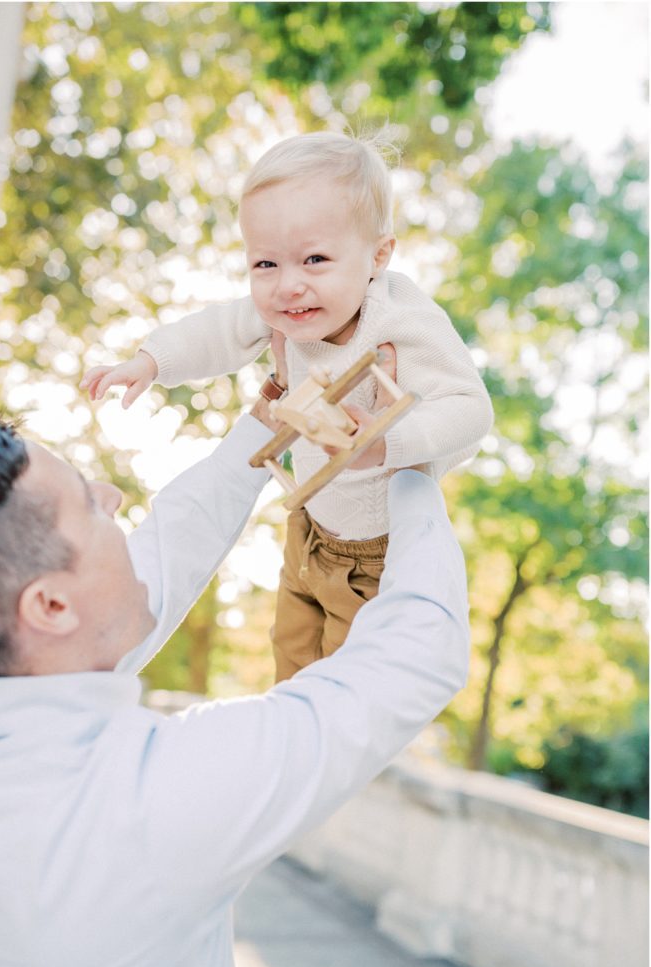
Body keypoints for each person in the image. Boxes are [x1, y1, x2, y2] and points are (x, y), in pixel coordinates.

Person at [0, 394, 470, 967]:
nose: (112, 496)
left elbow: (155, 560)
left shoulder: (16, 669)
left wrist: (264, 426)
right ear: (49, 608)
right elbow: (417, 650)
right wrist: (408, 466)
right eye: (87, 505)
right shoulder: (151, 801)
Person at [81, 129, 493, 682]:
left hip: (374, 554)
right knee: (291, 661)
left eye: (315, 259)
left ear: (378, 255)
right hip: (308, 529)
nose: (287, 286)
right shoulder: (285, 313)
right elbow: (217, 330)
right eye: (264, 265)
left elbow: (470, 406)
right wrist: (151, 362)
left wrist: (388, 440)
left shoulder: (400, 319)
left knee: (343, 685)